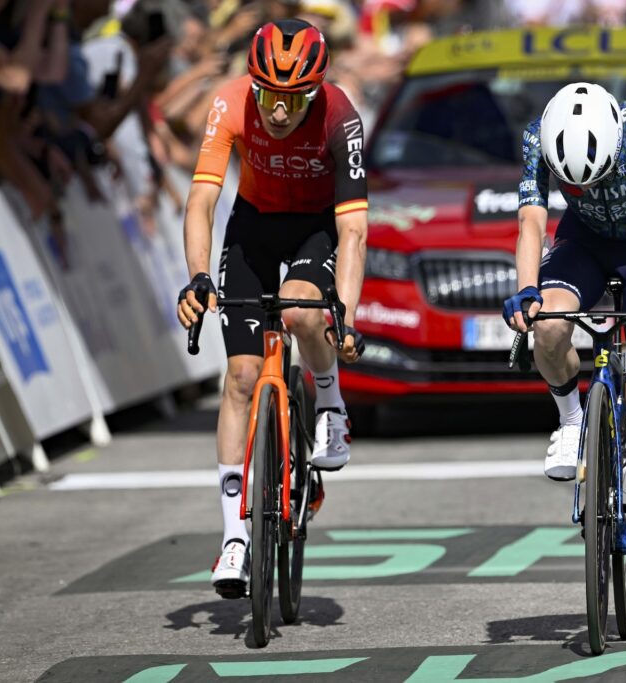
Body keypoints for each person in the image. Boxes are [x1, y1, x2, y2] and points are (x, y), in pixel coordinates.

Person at [175, 18, 369, 598]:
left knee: (301, 311)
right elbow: (201, 201)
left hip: (318, 227)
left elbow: (354, 231)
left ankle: (330, 402)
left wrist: (349, 317)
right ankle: (235, 538)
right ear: (253, 83)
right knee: (239, 375)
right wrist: (198, 278)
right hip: (253, 227)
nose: (279, 112)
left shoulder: (340, 115)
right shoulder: (230, 102)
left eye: (293, 99)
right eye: (270, 96)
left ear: (314, 92)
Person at [502, 82, 626, 609]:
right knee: (548, 324)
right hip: (585, 243)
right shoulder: (538, 136)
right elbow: (531, 222)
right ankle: (570, 418)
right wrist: (524, 290)